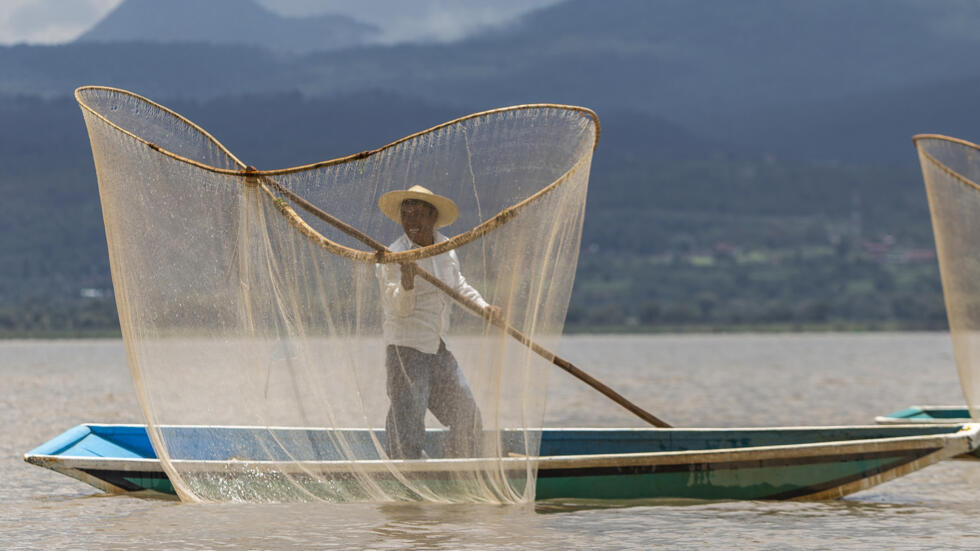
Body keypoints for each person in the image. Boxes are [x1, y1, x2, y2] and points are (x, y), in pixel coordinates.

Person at [375, 185, 500, 459]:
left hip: (435, 347)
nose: (411, 222)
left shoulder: (446, 249)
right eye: (406, 215)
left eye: (418, 214)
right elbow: (399, 307)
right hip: (405, 350)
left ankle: (458, 469)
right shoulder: (393, 256)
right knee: (407, 422)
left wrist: (483, 307)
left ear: (433, 218)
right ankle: (405, 474)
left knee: (466, 414)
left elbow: (458, 285)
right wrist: (407, 284)